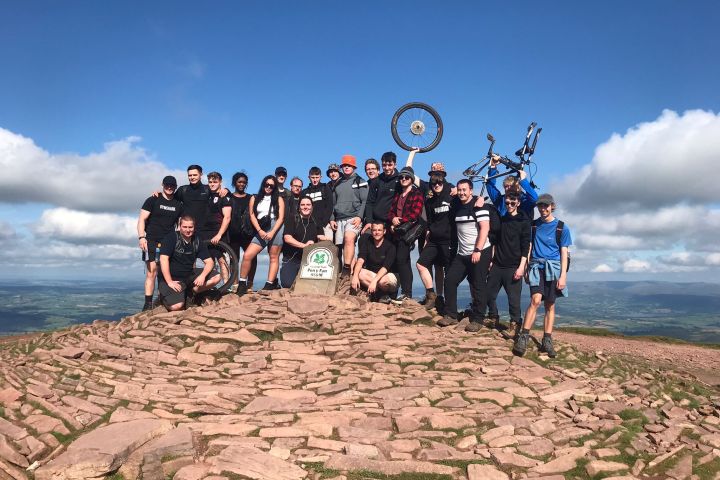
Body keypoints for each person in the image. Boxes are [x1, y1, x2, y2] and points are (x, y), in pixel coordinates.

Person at [513, 194, 572, 358]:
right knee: (535, 300)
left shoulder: (562, 227)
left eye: (546, 206)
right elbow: (529, 247)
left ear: (552, 206)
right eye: (540, 206)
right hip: (536, 267)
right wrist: (525, 266)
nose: (543, 209)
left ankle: (547, 339)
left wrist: (563, 277)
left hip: (553, 269)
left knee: (550, 305)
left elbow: (564, 253)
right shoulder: (534, 226)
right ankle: (524, 336)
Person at [437, 179, 492, 330]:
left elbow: (485, 228)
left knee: (478, 284)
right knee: (450, 280)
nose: (462, 192)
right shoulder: (456, 205)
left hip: (479, 251)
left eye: (464, 190)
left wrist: (477, 250)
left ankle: (478, 319)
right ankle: (451, 315)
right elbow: (444, 190)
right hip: (462, 253)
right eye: (460, 190)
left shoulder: (480, 206)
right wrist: (453, 191)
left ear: (471, 191)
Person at [486, 187, 531, 337]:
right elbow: (496, 242)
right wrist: (492, 260)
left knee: (514, 300)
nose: (509, 205)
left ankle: (515, 326)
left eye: (512, 202)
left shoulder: (524, 221)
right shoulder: (502, 220)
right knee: (489, 294)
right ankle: (493, 318)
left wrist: (521, 267)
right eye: (507, 203)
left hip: (514, 267)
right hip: (498, 264)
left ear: (518, 203)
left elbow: (526, 246)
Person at [137, 175, 183, 311]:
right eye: (167, 185)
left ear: (175, 187)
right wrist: (141, 237)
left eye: (172, 186)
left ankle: (161, 299)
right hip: (151, 240)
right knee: (152, 273)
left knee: (165, 272)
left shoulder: (178, 205)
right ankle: (148, 304)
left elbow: (179, 226)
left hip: (168, 242)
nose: (169, 188)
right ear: (162, 185)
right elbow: (141, 220)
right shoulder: (152, 200)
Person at [157, 216, 221, 311]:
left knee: (217, 277)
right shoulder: (171, 238)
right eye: (185, 227)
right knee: (177, 306)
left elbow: (209, 262)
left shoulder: (197, 241)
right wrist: (169, 281)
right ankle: (162, 298)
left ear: (194, 227)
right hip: (172, 279)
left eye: (190, 227)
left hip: (188, 275)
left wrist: (202, 276)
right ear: (180, 226)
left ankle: (192, 292)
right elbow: (163, 259)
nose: (188, 230)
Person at [237, 175, 286, 294]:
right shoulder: (255, 198)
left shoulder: (279, 199)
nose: (268, 187)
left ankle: (269, 284)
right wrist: (259, 230)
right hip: (261, 227)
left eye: (271, 186)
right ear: (263, 184)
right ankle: (242, 284)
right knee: (248, 255)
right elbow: (252, 215)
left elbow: (281, 218)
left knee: (274, 257)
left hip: (276, 227)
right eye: (266, 184)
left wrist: (273, 232)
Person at [416, 168, 453, 311]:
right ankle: (432, 295)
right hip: (433, 239)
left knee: (446, 271)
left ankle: (445, 301)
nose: (436, 185)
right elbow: (430, 222)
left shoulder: (451, 194)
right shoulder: (430, 200)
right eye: (434, 183)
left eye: (439, 182)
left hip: (448, 240)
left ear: (444, 181)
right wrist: (427, 237)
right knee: (421, 264)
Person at [387, 166, 424, 302]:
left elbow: (415, 214)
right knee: (402, 261)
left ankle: (407, 292)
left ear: (412, 179)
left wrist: (399, 221)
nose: (403, 179)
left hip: (407, 232)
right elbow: (391, 211)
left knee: (402, 260)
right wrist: (392, 220)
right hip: (395, 231)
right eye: (401, 177)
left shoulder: (416, 194)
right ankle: (402, 292)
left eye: (407, 177)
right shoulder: (398, 195)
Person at [329, 155, 368, 274]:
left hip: (353, 218)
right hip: (339, 219)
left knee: (349, 239)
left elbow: (365, 201)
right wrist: (332, 218)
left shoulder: (360, 181)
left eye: (349, 165)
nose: (346, 167)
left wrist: (359, 217)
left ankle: (346, 269)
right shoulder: (337, 184)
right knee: (341, 248)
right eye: (344, 165)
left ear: (354, 167)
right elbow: (333, 203)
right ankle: (347, 275)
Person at [280, 196, 328, 287]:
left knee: (308, 287)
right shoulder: (292, 218)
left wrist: (327, 240)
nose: (305, 207)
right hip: (292, 259)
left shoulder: (316, 221)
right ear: (299, 207)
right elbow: (287, 238)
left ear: (312, 207)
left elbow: (320, 236)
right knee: (287, 284)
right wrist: (304, 246)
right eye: (302, 205)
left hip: (308, 261)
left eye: (308, 205)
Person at [197, 171, 232, 283]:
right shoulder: (205, 193)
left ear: (220, 182)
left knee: (221, 259)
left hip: (218, 232)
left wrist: (219, 235)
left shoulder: (224, 197)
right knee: (209, 261)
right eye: (210, 182)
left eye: (215, 182)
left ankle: (227, 286)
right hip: (204, 232)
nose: (212, 184)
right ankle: (210, 285)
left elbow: (227, 218)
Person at [351, 222, 398, 302]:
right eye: (374, 230)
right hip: (373, 276)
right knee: (360, 273)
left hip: (388, 276)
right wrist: (355, 276)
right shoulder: (367, 244)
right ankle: (381, 295)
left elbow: (385, 268)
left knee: (382, 281)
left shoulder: (390, 246)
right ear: (371, 231)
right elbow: (360, 261)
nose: (377, 232)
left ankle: (388, 294)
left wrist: (374, 281)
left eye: (379, 230)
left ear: (384, 231)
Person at [228, 172, 257, 290]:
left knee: (252, 258)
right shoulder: (229, 197)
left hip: (248, 233)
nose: (242, 184)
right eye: (239, 182)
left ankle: (249, 284)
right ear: (235, 182)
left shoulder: (251, 197)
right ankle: (235, 285)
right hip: (233, 233)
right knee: (233, 259)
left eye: (244, 182)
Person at [363, 151, 399, 230]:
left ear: (395, 165)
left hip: (392, 221)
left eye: (390, 165)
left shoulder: (400, 180)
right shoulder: (376, 181)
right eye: (384, 165)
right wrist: (369, 221)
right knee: (364, 239)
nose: (387, 168)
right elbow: (369, 202)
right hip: (375, 221)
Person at [302, 166, 334, 240]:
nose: (315, 180)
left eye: (317, 177)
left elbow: (330, 206)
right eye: (313, 177)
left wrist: (324, 223)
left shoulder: (325, 188)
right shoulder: (304, 192)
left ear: (321, 177)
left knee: (327, 248)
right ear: (309, 177)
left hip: (324, 225)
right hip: (310, 226)